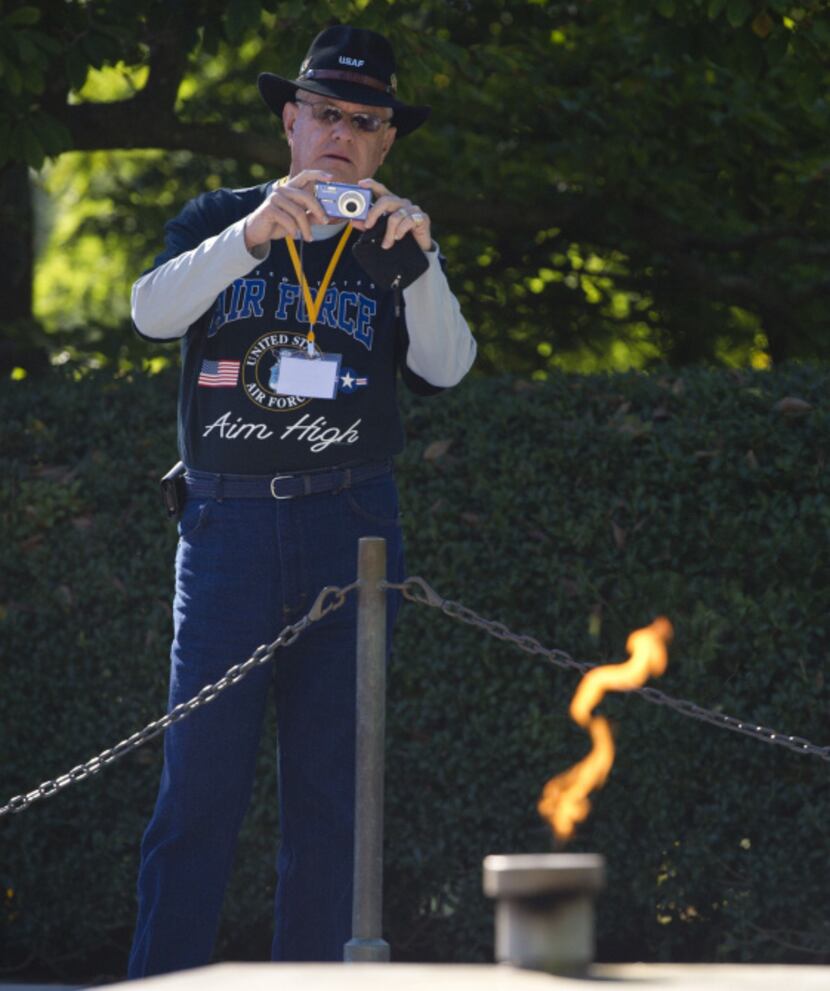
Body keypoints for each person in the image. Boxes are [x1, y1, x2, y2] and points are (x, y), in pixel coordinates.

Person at [127, 24, 476, 978]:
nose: (343, 134)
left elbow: (449, 367)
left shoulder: (395, 243)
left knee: (333, 802)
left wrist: (420, 261)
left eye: (366, 121)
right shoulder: (220, 216)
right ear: (290, 121)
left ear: (386, 143)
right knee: (197, 789)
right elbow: (150, 312)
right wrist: (246, 239)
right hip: (228, 524)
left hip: (352, 526)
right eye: (326, 112)